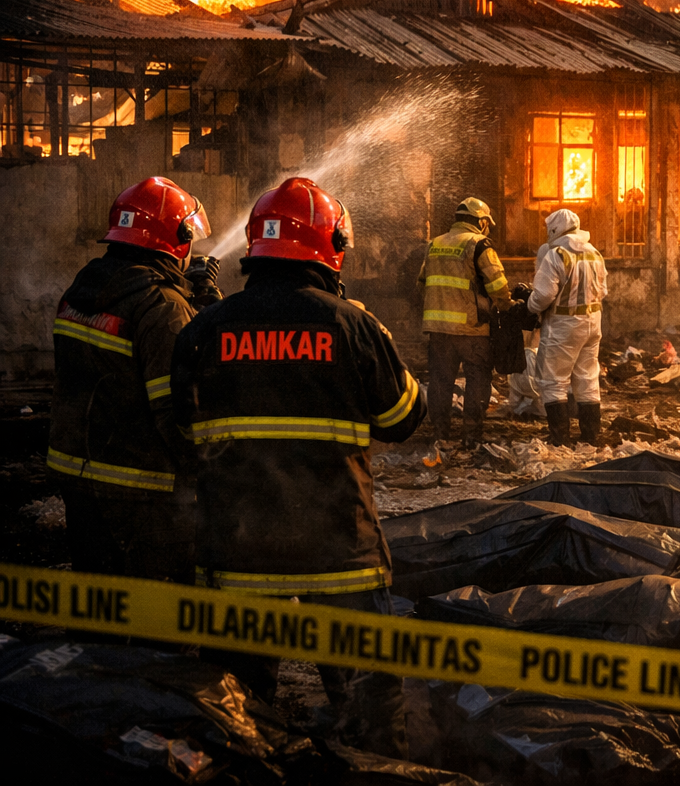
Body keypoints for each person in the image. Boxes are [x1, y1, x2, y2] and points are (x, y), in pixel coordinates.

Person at [171, 177, 425, 757]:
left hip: (237, 553)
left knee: (231, 707)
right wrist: (375, 337)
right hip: (339, 550)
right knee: (368, 706)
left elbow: (181, 430)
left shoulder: (203, 329)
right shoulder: (352, 326)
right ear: (331, 245)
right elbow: (405, 417)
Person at [47, 176, 220, 586]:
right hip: (145, 493)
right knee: (157, 622)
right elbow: (177, 412)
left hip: (80, 480)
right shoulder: (163, 308)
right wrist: (211, 474)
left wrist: (191, 304)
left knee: (99, 610)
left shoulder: (81, 291)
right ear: (175, 240)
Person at [419, 197, 512, 454]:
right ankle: (471, 435)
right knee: (477, 381)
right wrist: (506, 306)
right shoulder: (479, 244)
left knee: (440, 382)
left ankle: (440, 434)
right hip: (472, 330)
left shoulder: (434, 244)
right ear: (481, 222)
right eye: (487, 223)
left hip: (438, 330)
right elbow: (497, 284)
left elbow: (421, 283)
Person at [528, 208, 608, 445]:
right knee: (587, 377)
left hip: (563, 324)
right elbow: (602, 290)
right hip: (593, 322)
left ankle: (560, 438)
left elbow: (542, 296)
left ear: (554, 230)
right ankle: (591, 435)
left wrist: (530, 308)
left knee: (553, 380)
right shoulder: (595, 253)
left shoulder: (557, 255)